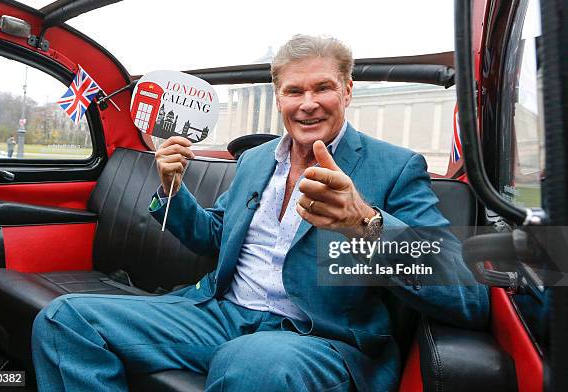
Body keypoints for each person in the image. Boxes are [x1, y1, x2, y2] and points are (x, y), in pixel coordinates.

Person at [32, 35, 489, 392]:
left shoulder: (395, 167)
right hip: (222, 313)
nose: (307, 102)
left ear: (347, 91)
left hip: (319, 338)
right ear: (279, 98)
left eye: (323, 87)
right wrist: (172, 189)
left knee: (252, 360)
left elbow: (466, 294)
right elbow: (214, 236)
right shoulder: (254, 160)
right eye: (294, 90)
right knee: (64, 320)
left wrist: (365, 223)